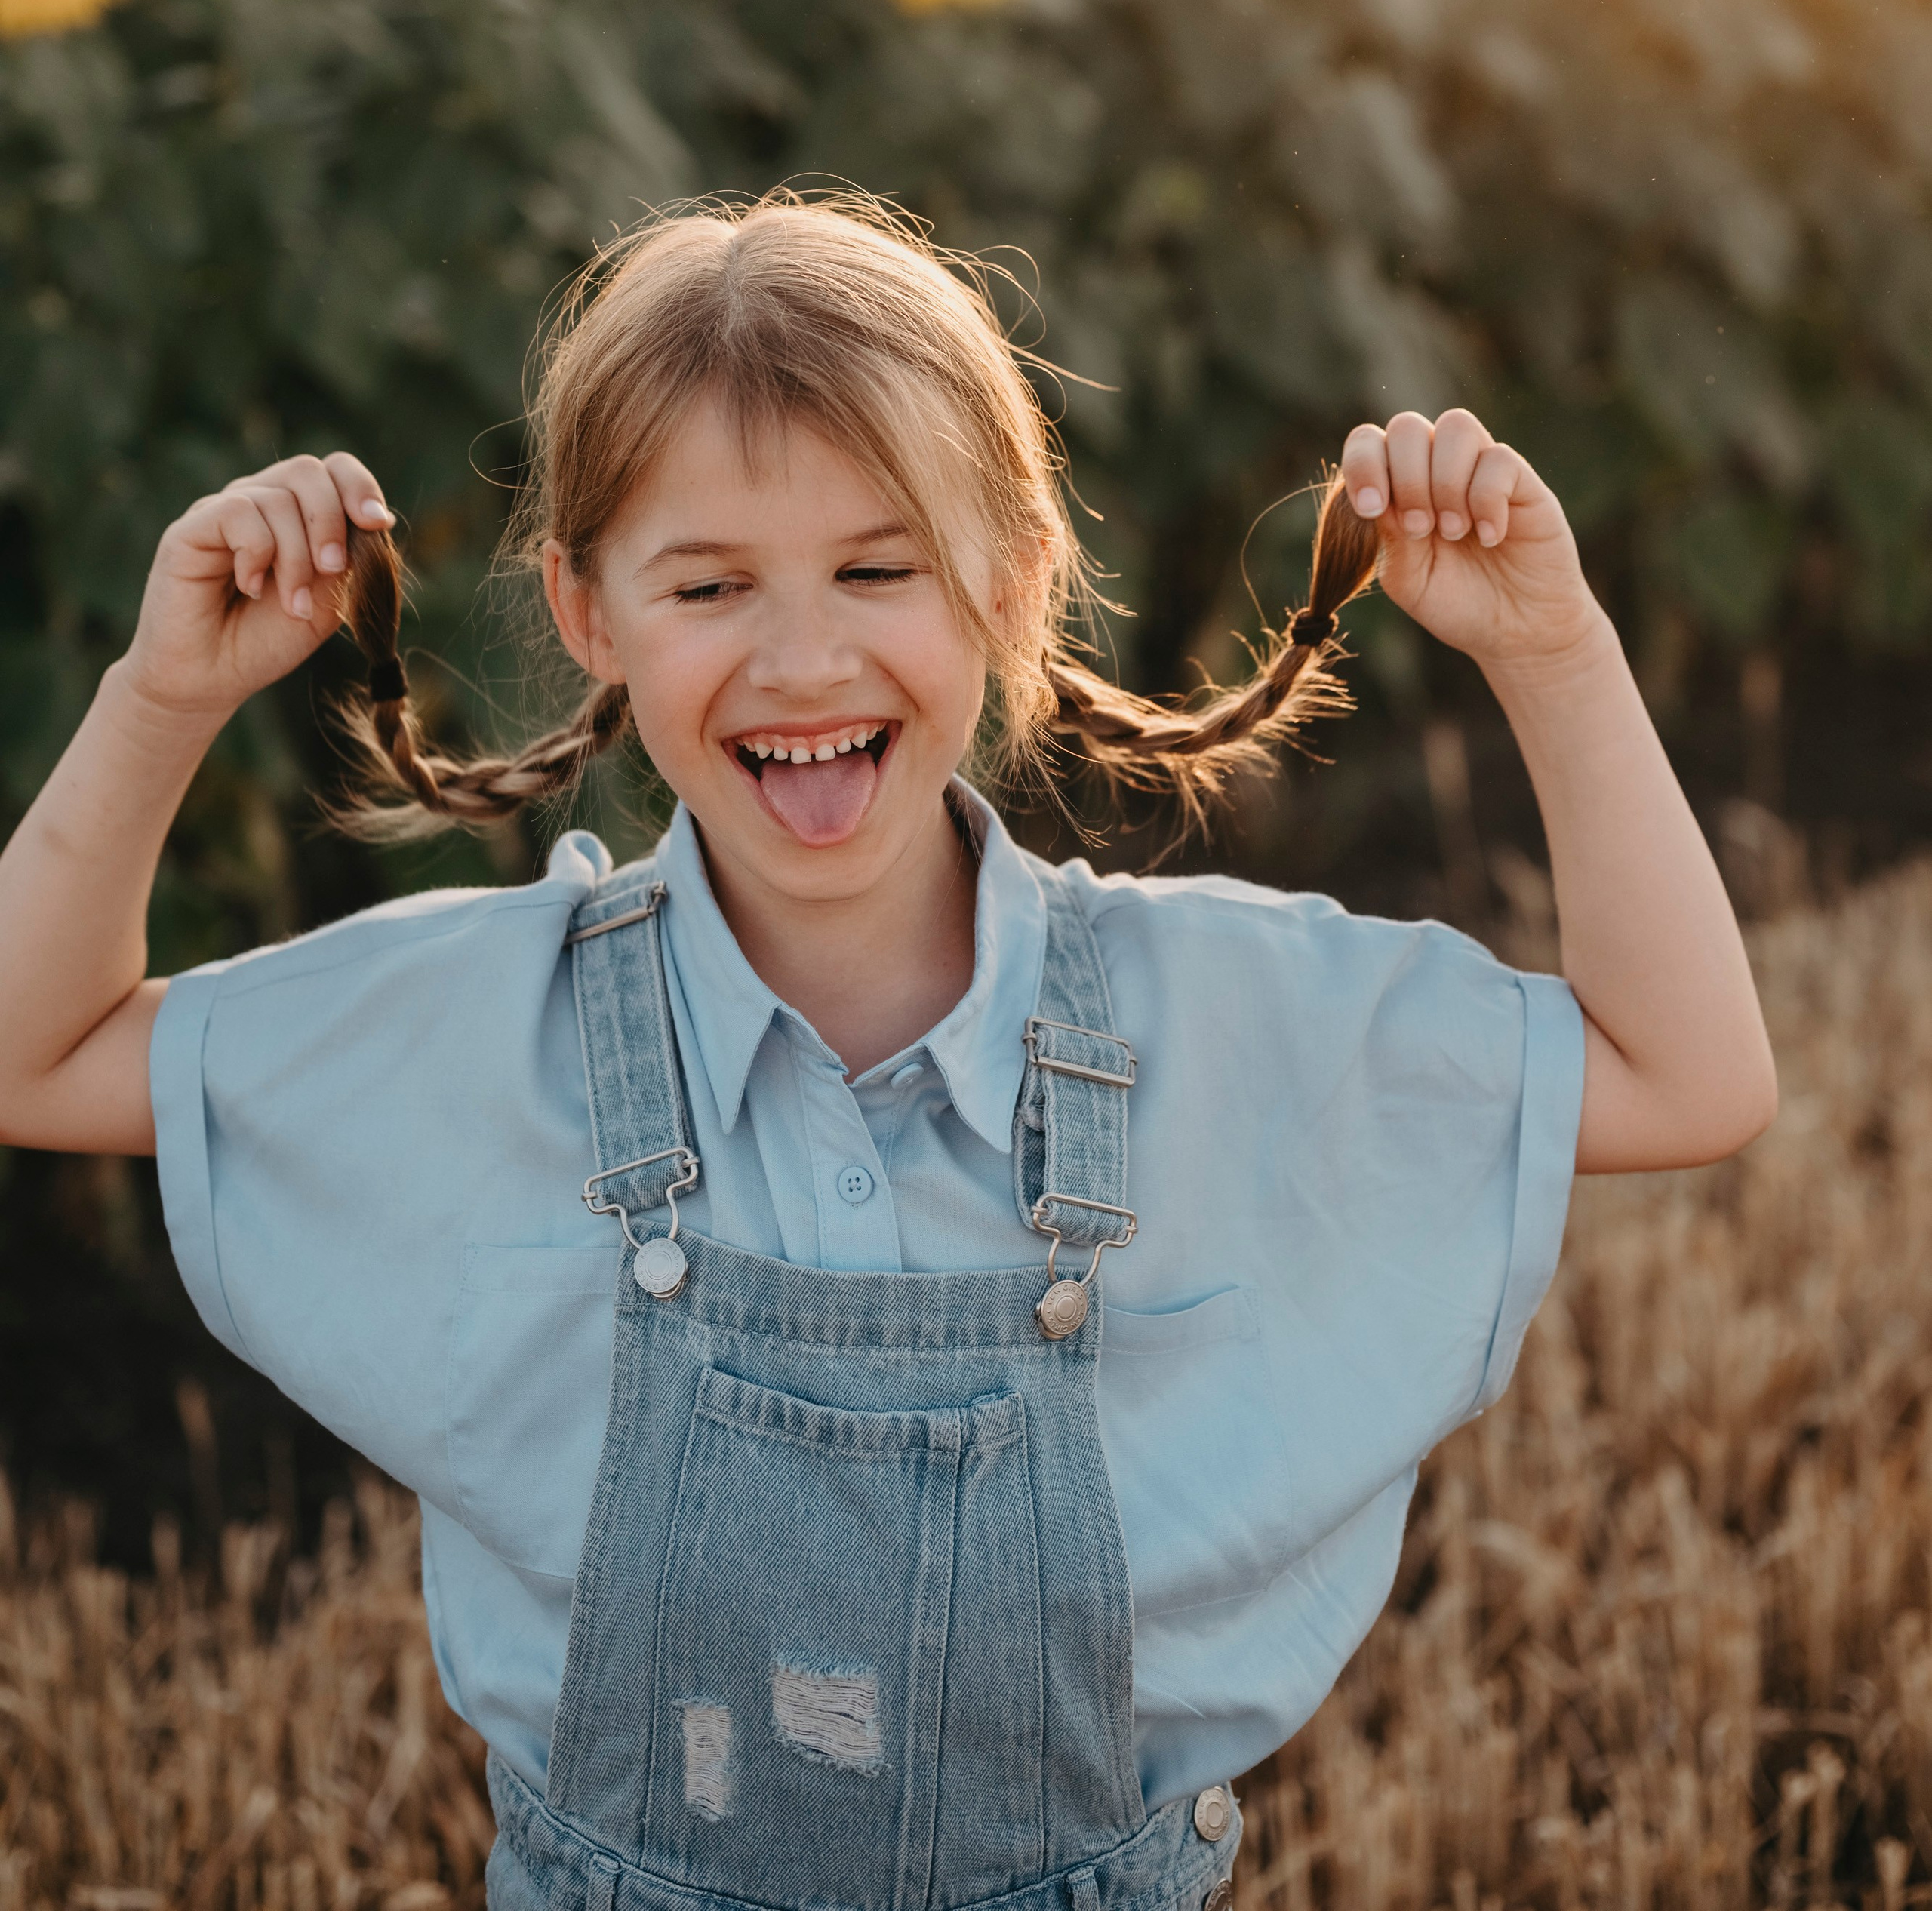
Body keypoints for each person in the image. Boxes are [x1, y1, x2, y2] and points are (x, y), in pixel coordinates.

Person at [0, 191, 1775, 1911]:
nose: (800, 654)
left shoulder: (1214, 1020)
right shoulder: (492, 1020)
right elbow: (33, 1055)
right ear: (584, 612)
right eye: (707, 586)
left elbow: (1685, 1077)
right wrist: (163, 698)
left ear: (1011, 582)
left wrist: (1553, 655)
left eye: (876, 565)